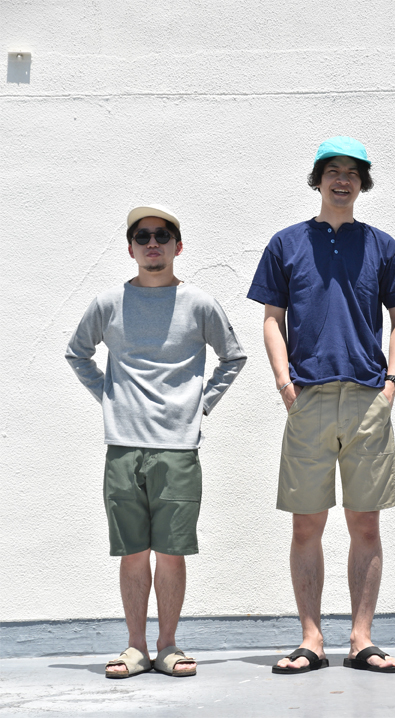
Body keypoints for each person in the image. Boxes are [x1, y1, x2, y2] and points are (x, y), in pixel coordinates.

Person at [247, 136, 395, 675]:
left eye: (352, 172)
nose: (342, 180)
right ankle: (312, 640)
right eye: (333, 171)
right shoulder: (286, 243)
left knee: (365, 524)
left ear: (362, 183)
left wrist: (391, 385)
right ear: (318, 179)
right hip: (309, 398)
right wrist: (284, 383)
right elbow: (272, 318)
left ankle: (361, 640)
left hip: (368, 398)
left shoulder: (382, 246)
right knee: (306, 526)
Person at [66, 204, 246, 679]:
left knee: (170, 551)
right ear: (130, 248)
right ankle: (135, 647)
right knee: (132, 552)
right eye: (142, 236)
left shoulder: (199, 303)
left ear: (177, 247)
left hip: (178, 448)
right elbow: (77, 353)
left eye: (161, 236)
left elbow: (233, 357)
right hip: (123, 446)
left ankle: (167, 646)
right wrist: (109, 397)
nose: (152, 243)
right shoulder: (108, 303)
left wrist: (201, 405)